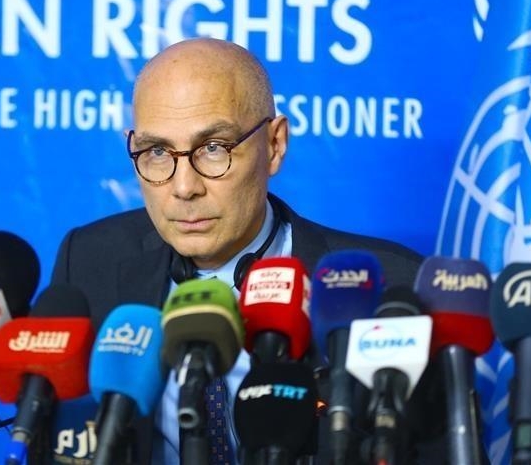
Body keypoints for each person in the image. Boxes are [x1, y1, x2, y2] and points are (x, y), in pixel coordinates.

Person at [50, 38, 422, 464]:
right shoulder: (88, 261)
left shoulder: (390, 287)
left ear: (275, 145)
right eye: (157, 151)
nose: (184, 187)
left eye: (214, 148)